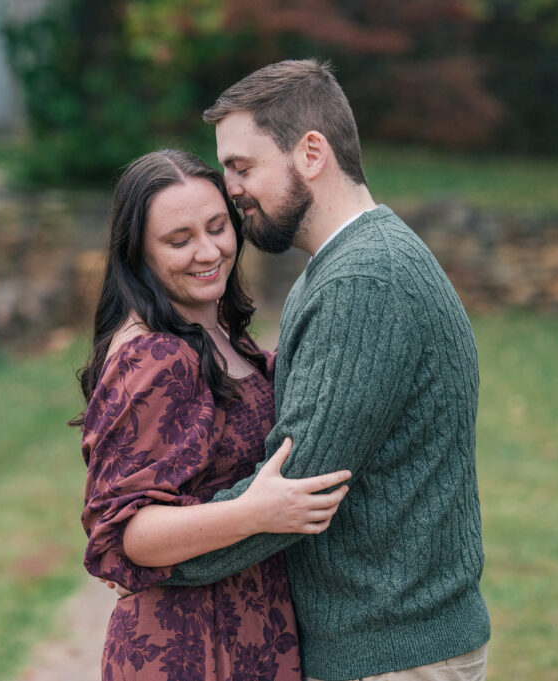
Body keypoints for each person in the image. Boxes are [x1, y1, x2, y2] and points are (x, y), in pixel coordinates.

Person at [162, 60, 492, 681]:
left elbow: (295, 488)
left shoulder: (365, 280)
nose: (230, 188)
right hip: (393, 645)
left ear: (311, 152)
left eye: (242, 166)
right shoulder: (347, 264)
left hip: (392, 653)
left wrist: (155, 555)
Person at [77, 149, 352, 680]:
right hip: (192, 647)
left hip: (250, 626)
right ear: (138, 255)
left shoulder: (216, 333)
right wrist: (256, 513)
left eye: (217, 227)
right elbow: (131, 532)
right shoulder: (154, 356)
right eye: (179, 241)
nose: (208, 252)